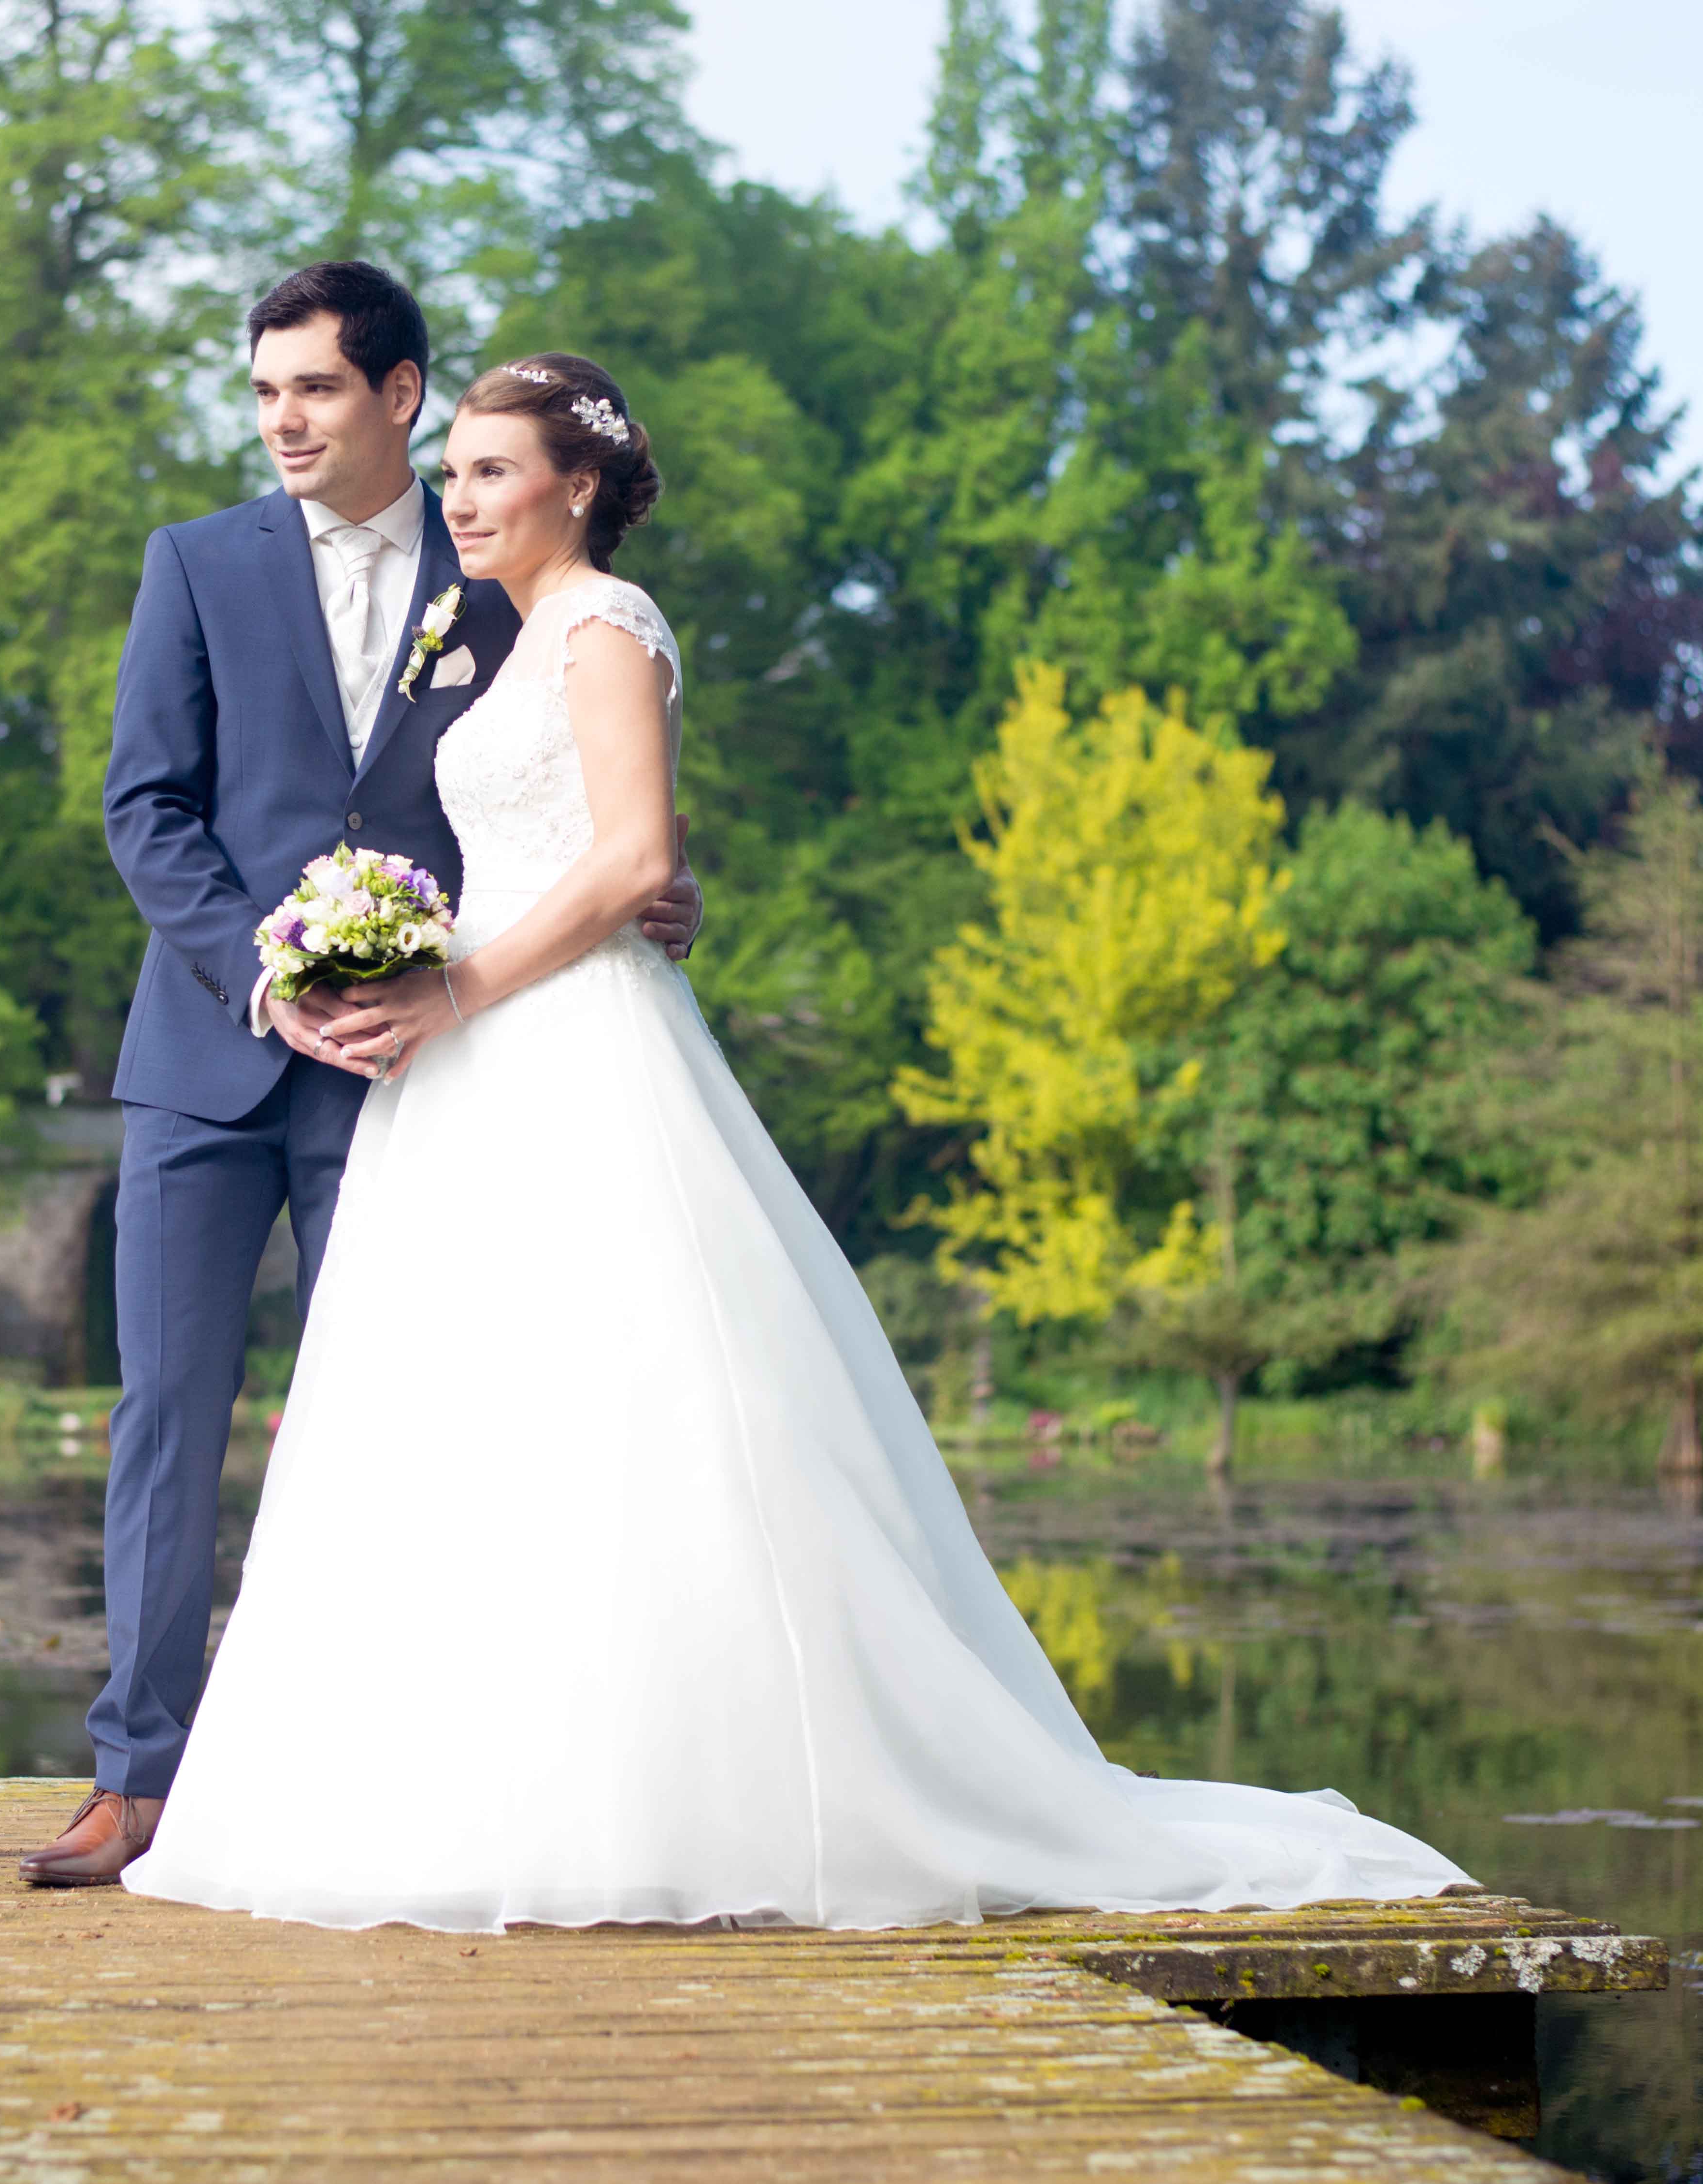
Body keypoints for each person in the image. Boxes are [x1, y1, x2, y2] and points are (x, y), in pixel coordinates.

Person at [120, 354, 1472, 1929]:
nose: (459, 499)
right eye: (458, 471)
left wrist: (468, 980)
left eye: (491, 471)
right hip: (467, 1064)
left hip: (556, 1042)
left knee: (648, 1404)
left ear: (575, 485)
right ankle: (485, 1783)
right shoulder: (504, 634)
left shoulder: (607, 624)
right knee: (484, 1415)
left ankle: (707, 1795)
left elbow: (635, 853)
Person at [24, 266, 703, 1886]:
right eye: (265, 391)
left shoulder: (505, 571)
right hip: (205, 1057)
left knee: (396, 1424)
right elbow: (144, 810)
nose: (282, 420)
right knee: (165, 1413)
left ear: (398, 394)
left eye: (314, 388)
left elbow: (587, 795)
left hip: (415, 1076)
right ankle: (136, 1777)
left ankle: (368, 1776)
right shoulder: (193, 565)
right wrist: (265, 971)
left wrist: (662, 891)